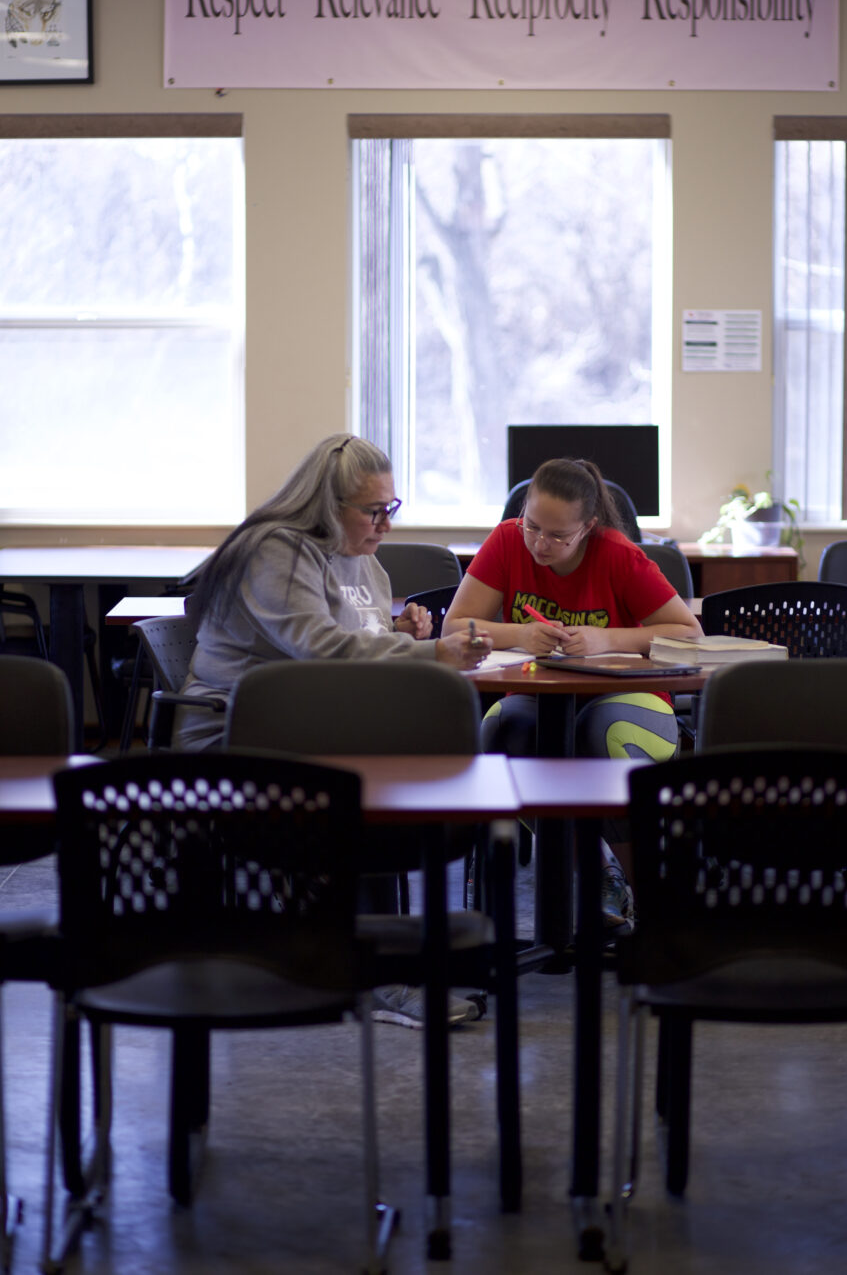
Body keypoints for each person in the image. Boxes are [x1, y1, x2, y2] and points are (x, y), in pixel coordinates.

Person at [173, 432, 492, 1028]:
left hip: (317, 729)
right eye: (373, 511)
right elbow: (320, 649)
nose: (385, 525)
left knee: (400, 771)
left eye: (390, 508)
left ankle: (378, 962)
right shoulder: (275, 549)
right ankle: (380, 978)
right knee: (368, 784)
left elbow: (358, 645)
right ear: (326, 506)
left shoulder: (363, 560)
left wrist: (404, 632)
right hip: (232, 736)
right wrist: (431, 657)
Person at [442, 456, 702, 934]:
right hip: (540, 694)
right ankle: (599, 874)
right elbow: (456, 625)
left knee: (602, 733)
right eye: (533, 527)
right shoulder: (506, 540)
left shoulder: (618, 554)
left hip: (631, 701)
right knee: (505, 729)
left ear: (588, 528)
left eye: (559, 536)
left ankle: (647, 898)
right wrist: (519, 634)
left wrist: (608, 638)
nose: (541, 544)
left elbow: (688, 630)